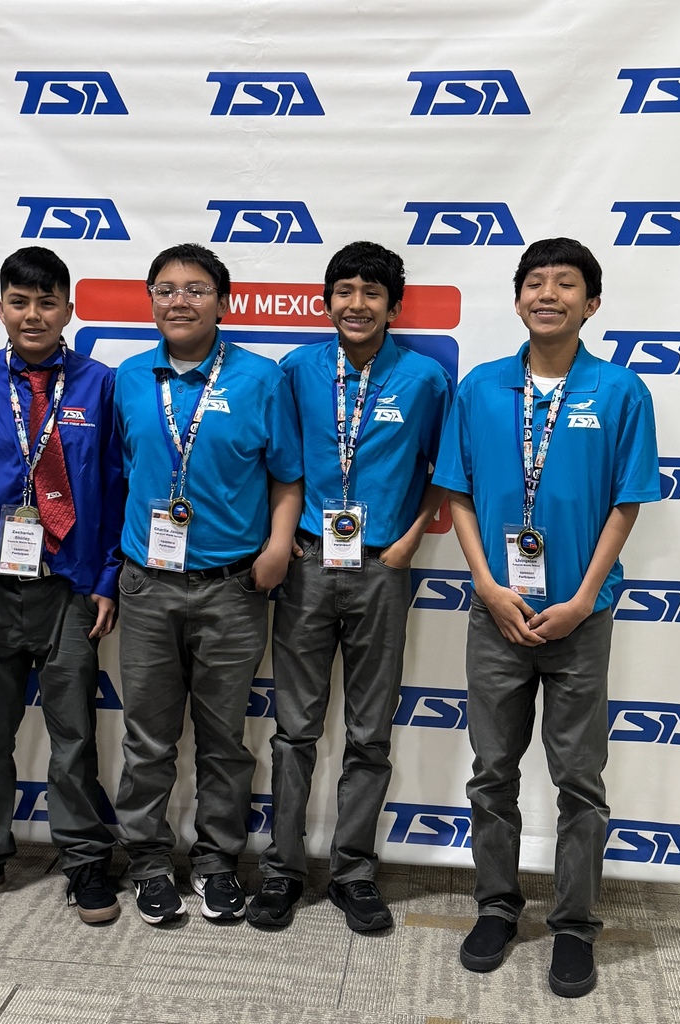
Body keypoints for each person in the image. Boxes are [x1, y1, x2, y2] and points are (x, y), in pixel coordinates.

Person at [432, 237, 660, 997]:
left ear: (590, 303)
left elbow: (625, 505)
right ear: (518, 296)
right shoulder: (480, 389)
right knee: (490, 774)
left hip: (577, 619)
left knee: (579, 781)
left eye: (566, 284)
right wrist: (488, 587)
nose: (548, 293)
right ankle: (496, 908)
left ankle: (572, 926)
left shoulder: (620, 391)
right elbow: (456, 493)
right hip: (495, 613)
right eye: (535, 281)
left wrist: (581, 599)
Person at [247, 241, 452, 933]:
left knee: (369, 733)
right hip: (307, 562)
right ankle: (281, 870)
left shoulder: (424, 379)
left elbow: (444, 470)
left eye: (371, 292)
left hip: (381, 570)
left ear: (393, 306)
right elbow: (279, 467)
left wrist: (409, 539)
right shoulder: (297, 370)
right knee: (294, 730)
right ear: (325, 300)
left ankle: (354, 872)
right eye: (343, 290)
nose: (355, 303)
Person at [0, 246, 123, 924]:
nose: (32, 315)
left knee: (73, 738)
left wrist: (106, 579)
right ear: (1, 307)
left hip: (68, 590)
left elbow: (118, 491)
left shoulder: (100, 385)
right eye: (19, 301)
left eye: (46, 301)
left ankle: (86, 858)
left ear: (69, 308)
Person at [113, 242, 303, 926]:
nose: (178, 301)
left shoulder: (260, 379)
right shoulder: (129, 378)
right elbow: (116, 475)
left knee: (224, 739)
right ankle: (147, 860)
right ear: (151, 301)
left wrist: (279, 544)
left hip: (231, 589)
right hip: (146, 585)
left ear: (221, 301)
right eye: (165, 289)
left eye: (194, 289)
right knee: (148, 738)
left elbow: (287, 475)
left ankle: (218, 861)